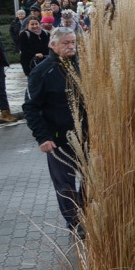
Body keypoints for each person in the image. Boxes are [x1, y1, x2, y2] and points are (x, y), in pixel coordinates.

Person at [22, 28, 83, 235]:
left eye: (73, 42)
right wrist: (43, 137)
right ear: (53, 45)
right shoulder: (41, 72)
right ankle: (75, 223)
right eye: (66, 43)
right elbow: (30, 107)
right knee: (65, 184)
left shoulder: (82, 67)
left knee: (92, 179)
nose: (71, 46)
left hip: (87, 136)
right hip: (58, 139)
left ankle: (85, 214)